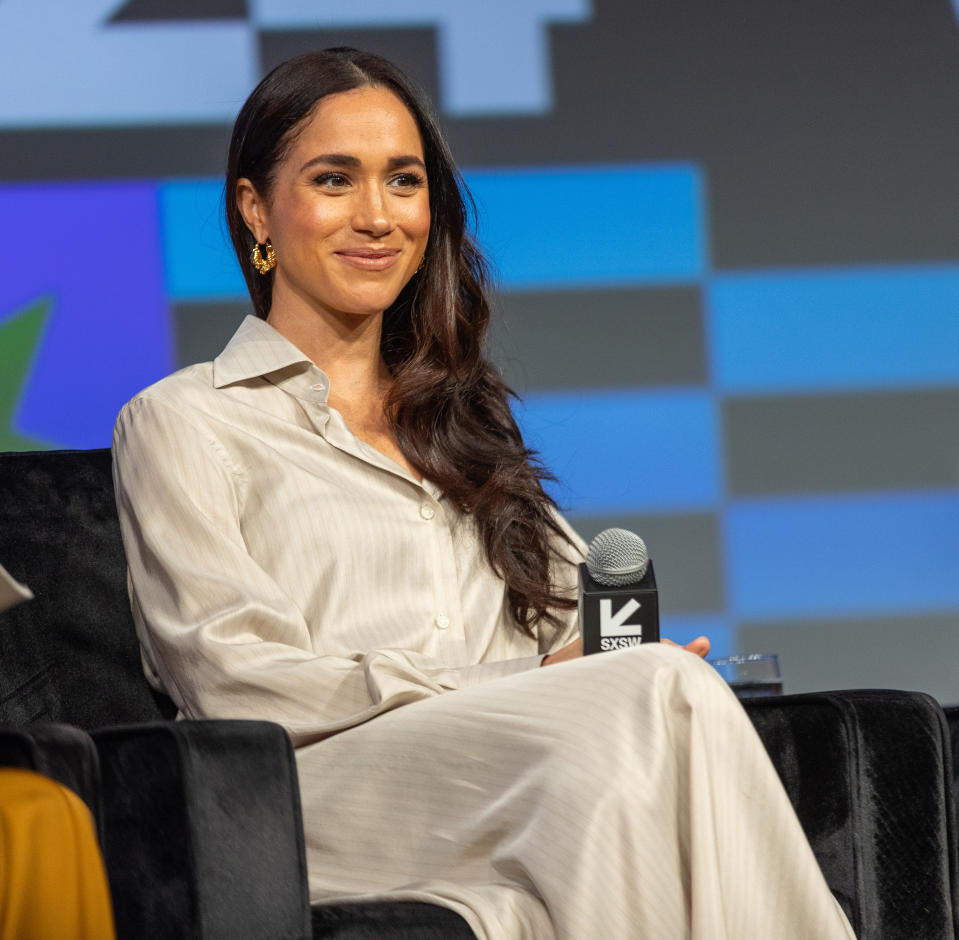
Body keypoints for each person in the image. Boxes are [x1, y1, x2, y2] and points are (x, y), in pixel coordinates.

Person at [112, 48, 854, 939]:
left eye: (404, 181)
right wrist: (510, 682)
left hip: (525, 775)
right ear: (254, 210)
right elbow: (232, 679)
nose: (378, 217)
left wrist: (597, 661)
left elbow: (579, 634)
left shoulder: (460, 422)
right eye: (335, 179)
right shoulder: (184, 420)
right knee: (649, 700)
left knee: (637, 743)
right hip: (309, 796)